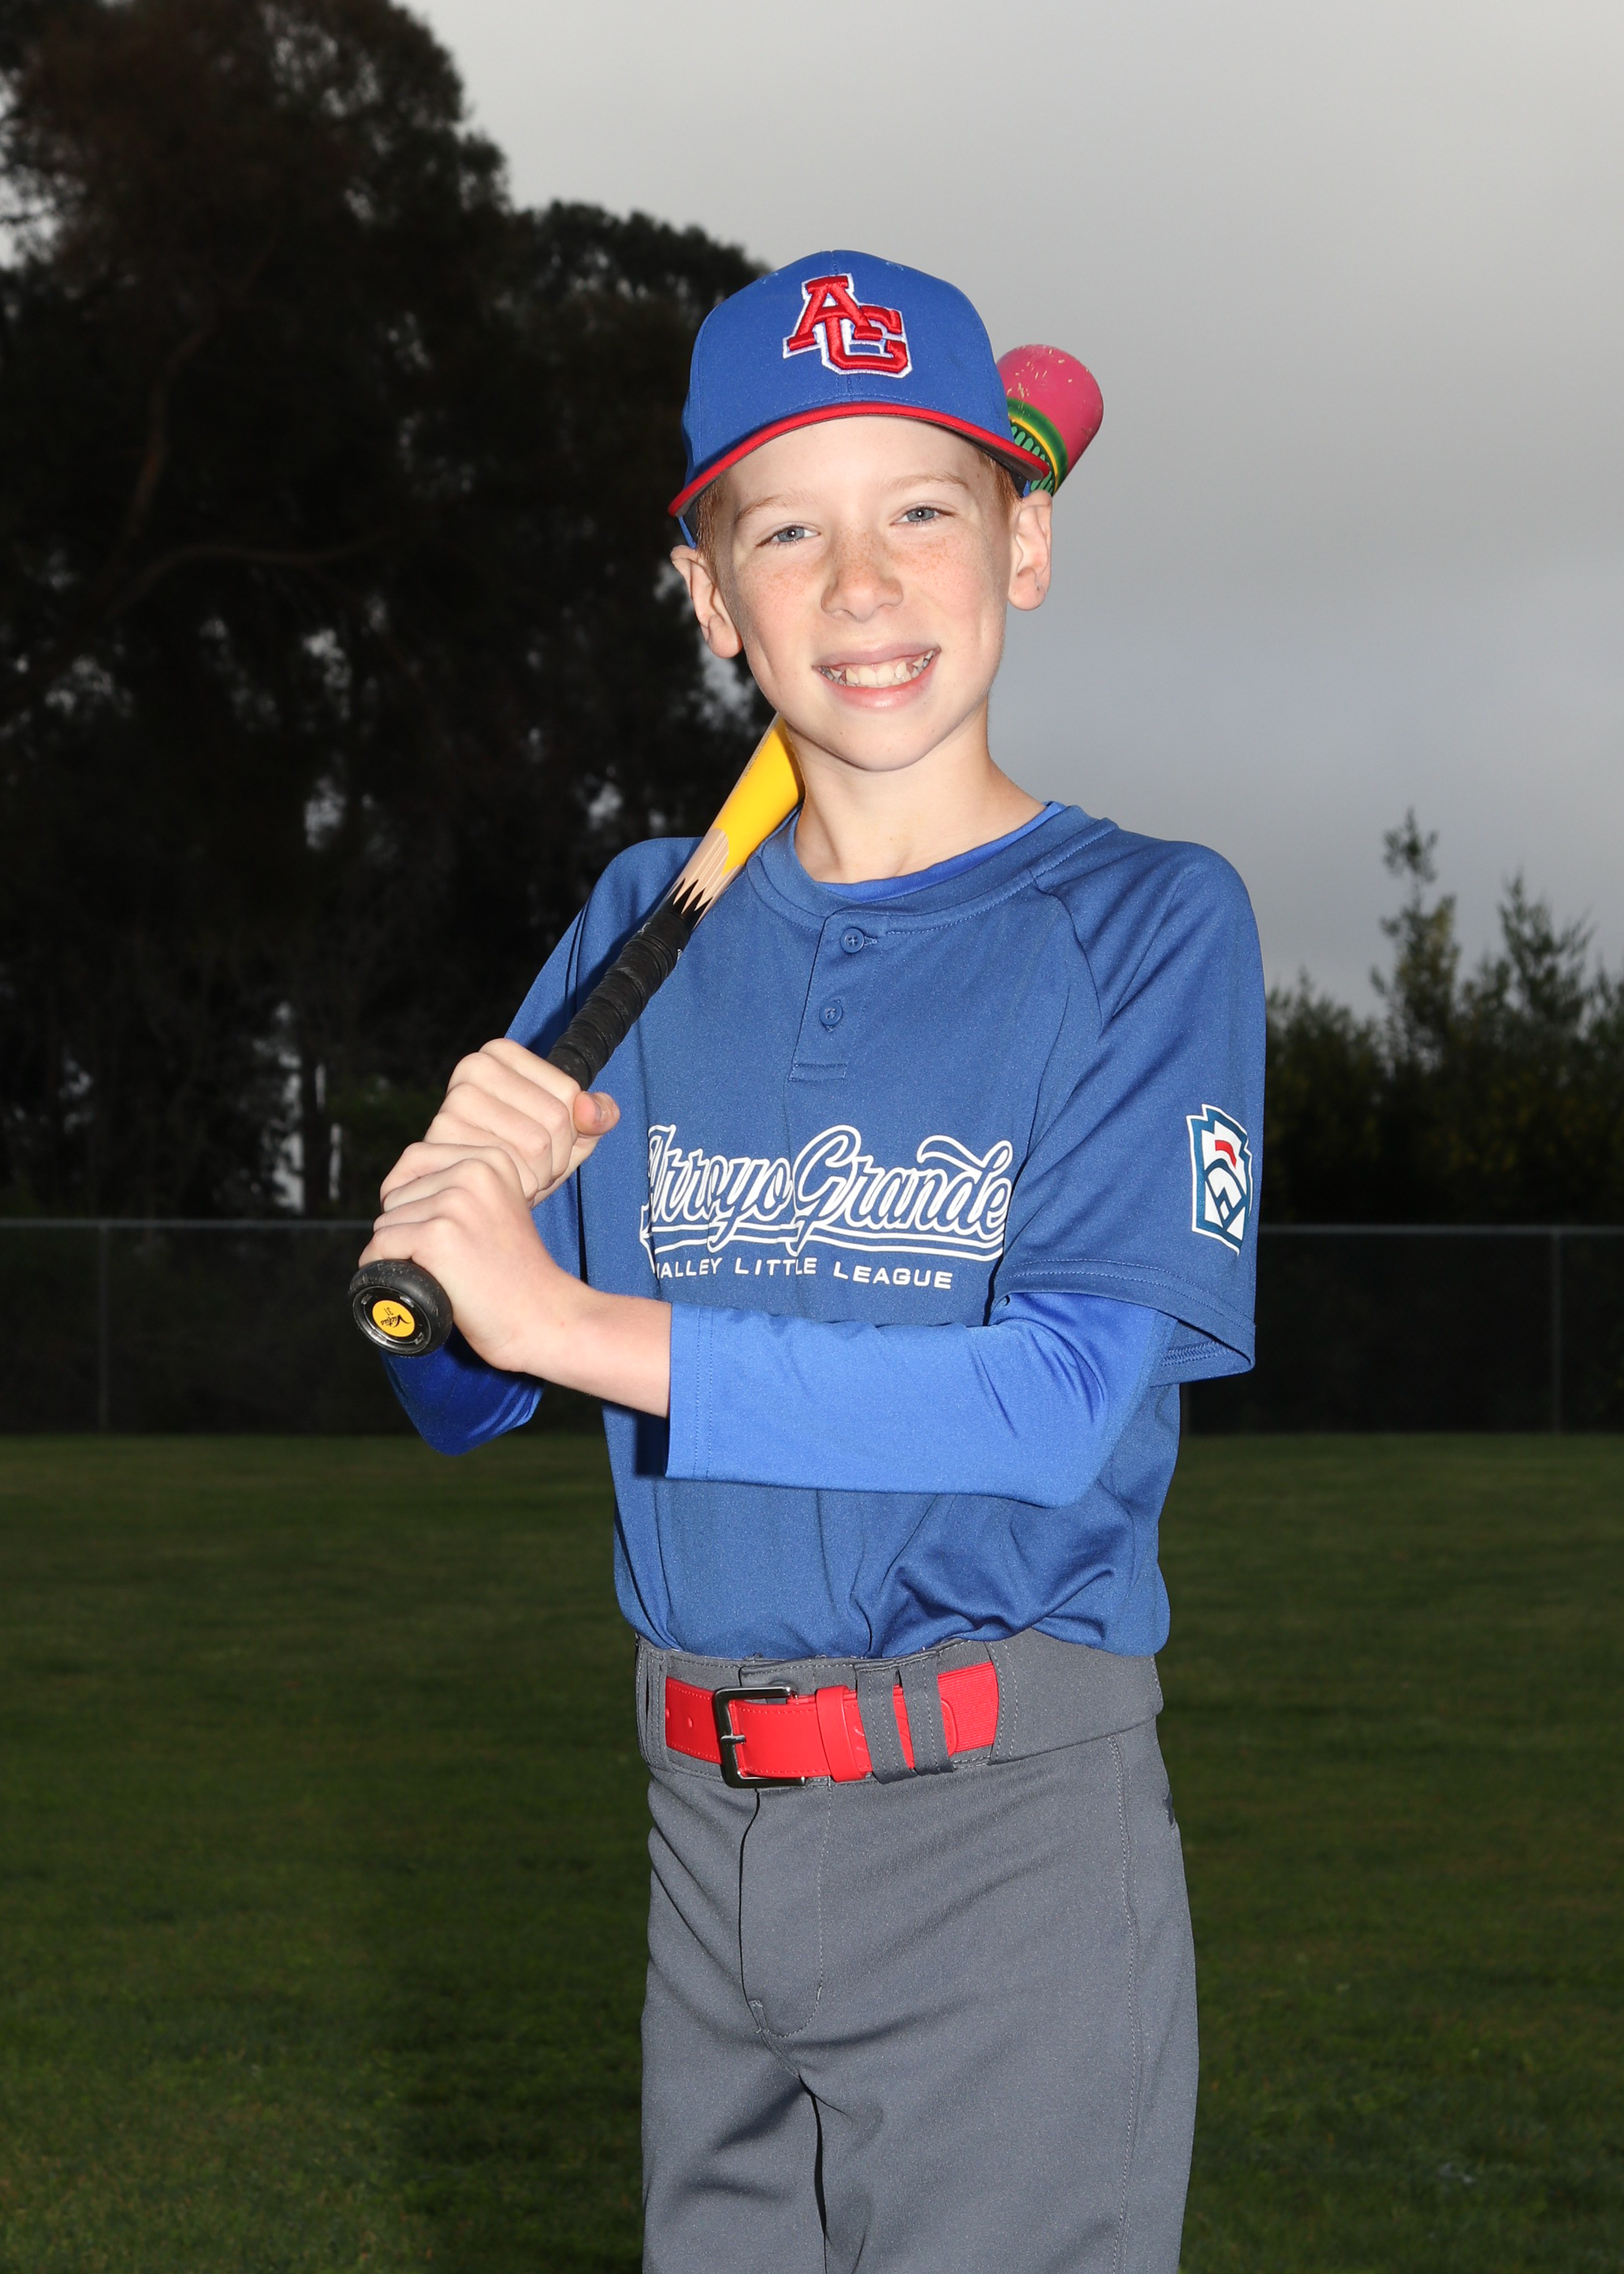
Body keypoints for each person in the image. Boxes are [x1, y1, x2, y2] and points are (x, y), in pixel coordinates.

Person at [361, 249, 1265, 2274]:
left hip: (1000, 1835)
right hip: (701, 1835)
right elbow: (461, 1392)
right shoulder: (643, 917)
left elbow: (1054, 1399)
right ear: (712, 599)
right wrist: (445, 1241)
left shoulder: (1146, 923)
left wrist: (571, 1311)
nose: (862, 584)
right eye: (788, 531)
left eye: (921, 508)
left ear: (1022, 546)